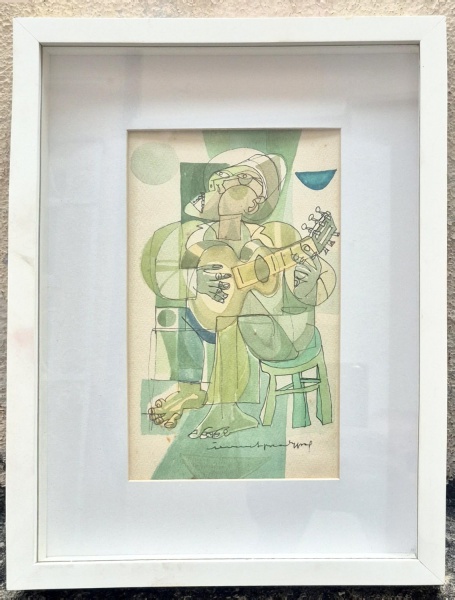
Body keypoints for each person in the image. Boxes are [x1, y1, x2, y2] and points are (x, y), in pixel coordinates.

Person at [142, 149, 336, 438]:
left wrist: (306, 283)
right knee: (172, 311)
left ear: (254, 203)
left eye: (247, 182)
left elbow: (318, 282)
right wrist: (196, 281)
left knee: (233, 315)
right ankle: (189, 387)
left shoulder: (266, 237)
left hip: (267, 331)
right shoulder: (199, 237)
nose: (232, 184)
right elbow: (173, 275)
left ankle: (227, 412)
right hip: (207, 319)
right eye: (230, 178)